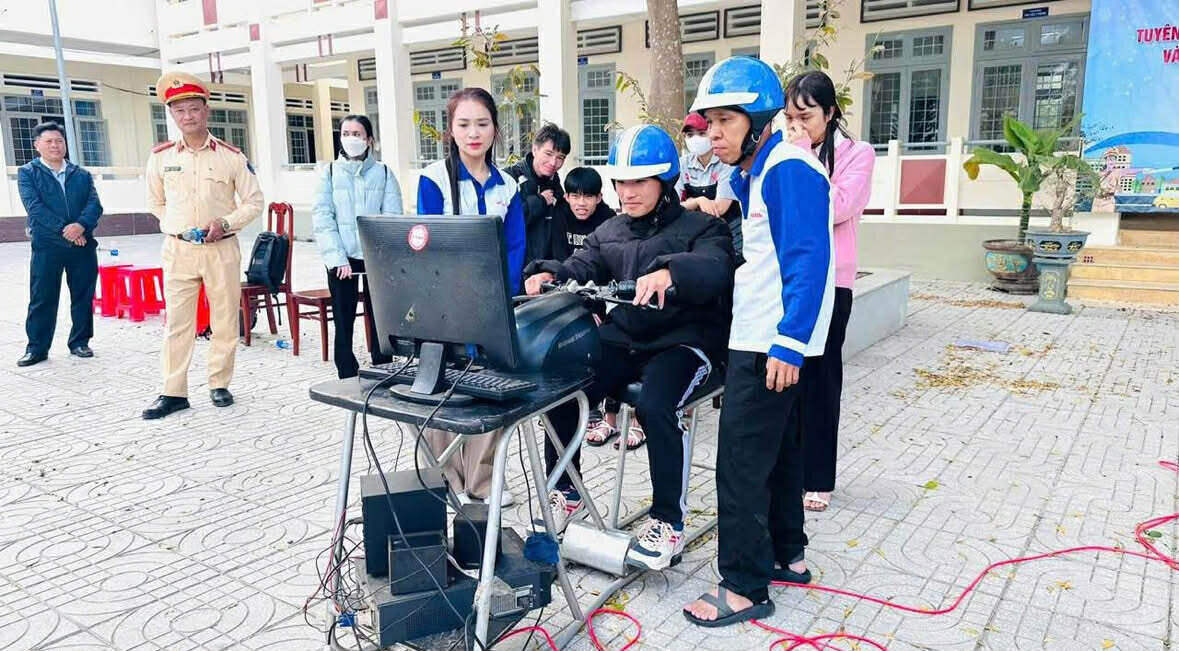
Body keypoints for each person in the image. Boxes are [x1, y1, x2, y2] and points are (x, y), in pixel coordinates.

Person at [524, 124, 735, 570]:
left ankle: (668, 523)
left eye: (639, 181)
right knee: (565, 383)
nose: (627, 191)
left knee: (657, 405)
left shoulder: (704, 227)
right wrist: (549, 273)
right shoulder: (611, 230)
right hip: (625, 337)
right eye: (621, 182)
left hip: (685, 341)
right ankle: (565, 492)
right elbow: (584, 264)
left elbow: (716, 268)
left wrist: (671, 272)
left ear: (665, 181)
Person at [681, 56, 834, 627]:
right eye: (708, 123)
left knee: (741, 463)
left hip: (771, 338)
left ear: (757, 119)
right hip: (770, 334)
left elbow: (808, 259)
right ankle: (785, 557)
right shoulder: (764, 167)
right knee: (780, 455)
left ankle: (743, 586)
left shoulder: (786, 168)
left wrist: (790, 341)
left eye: (724, 121)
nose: (712, 134)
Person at [417, 87, 525, 506]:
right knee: (443, 389)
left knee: (489, 389)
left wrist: (503, 297)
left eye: (482, 124)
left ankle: (481, 484)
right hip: (442, 303)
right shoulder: (434, 178)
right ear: (451, 130)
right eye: (464, 124)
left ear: (495, 129)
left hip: (492, 304)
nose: (473, 133)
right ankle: (447, 480)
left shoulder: (509, 186)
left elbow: (515, 248)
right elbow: (426, 241)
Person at [142, 71, 264, 420]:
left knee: (224, 319)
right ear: (172, 116)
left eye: (194, 109)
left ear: (205, 111)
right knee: (178, 323)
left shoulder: (230, 156)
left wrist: (225, 223)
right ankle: (173, 391)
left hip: (221, 249)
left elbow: (254, 202)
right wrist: (176, 228)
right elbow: (156, 202)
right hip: (179, 250)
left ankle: (219, 383)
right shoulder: (161, 157)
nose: (188, 117)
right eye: (180, 112)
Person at [783, 71, 875, 513]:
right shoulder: (786, 150)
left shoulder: (859, 154)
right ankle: (788, 469)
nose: (798, 124)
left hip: (832, 280)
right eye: (790, 116)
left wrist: (803, 157)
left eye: (806, 115)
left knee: (821, 379)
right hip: (792, 277)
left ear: (831, 112)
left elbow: (836, 207)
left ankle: (818, 476)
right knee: (788, 376)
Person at [312, 114, 403, 379]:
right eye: (346, 133)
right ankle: (346, 367)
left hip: (376, 256)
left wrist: (383, 258)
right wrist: (337, 259)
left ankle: (383, 361)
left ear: (369, 140)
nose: (352, 139)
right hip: (342, 257)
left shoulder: (384, 173)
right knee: (344, 313)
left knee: (381, 312)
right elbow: (323, 218)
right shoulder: (328, 173)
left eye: (358, 134)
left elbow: (392, 218)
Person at [16, 121, 103, 367]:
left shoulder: (81, 174)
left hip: (82, 245)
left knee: (83, 296)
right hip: (47, 247)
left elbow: (95, 205)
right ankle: (37, 348)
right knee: (42, 297)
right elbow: (34, 208)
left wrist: (80, 227)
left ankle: (80, 342)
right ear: (37, 145)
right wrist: (67, 231)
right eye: (49, 141)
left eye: (59, 141)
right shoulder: (28, 173)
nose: (55, 145)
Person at [675, 113, 744, 257]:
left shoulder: (727, 161)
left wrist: (689, 204)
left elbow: (720, 208)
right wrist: (699, 200)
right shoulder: (682, 164)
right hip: (695, 233)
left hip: (732, 233)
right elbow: (673, 207)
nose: (695, 139)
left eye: (701, 133)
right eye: (690, 135)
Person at [504, 123, 570, 265]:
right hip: (515, 268)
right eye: (548, 154)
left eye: (560, 157)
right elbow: (504, 221)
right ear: (535, 149)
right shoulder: (509, 178)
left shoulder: (555, 184)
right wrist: (539, 202)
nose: (553, 162)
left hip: (546, 270)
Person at [547, 167, 613, 261]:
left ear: (598, 198)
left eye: (588, 196)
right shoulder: (560, 214)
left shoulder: (608, 219)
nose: (581, 203)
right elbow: (558, 254)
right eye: (575, 196)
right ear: (567, 197)